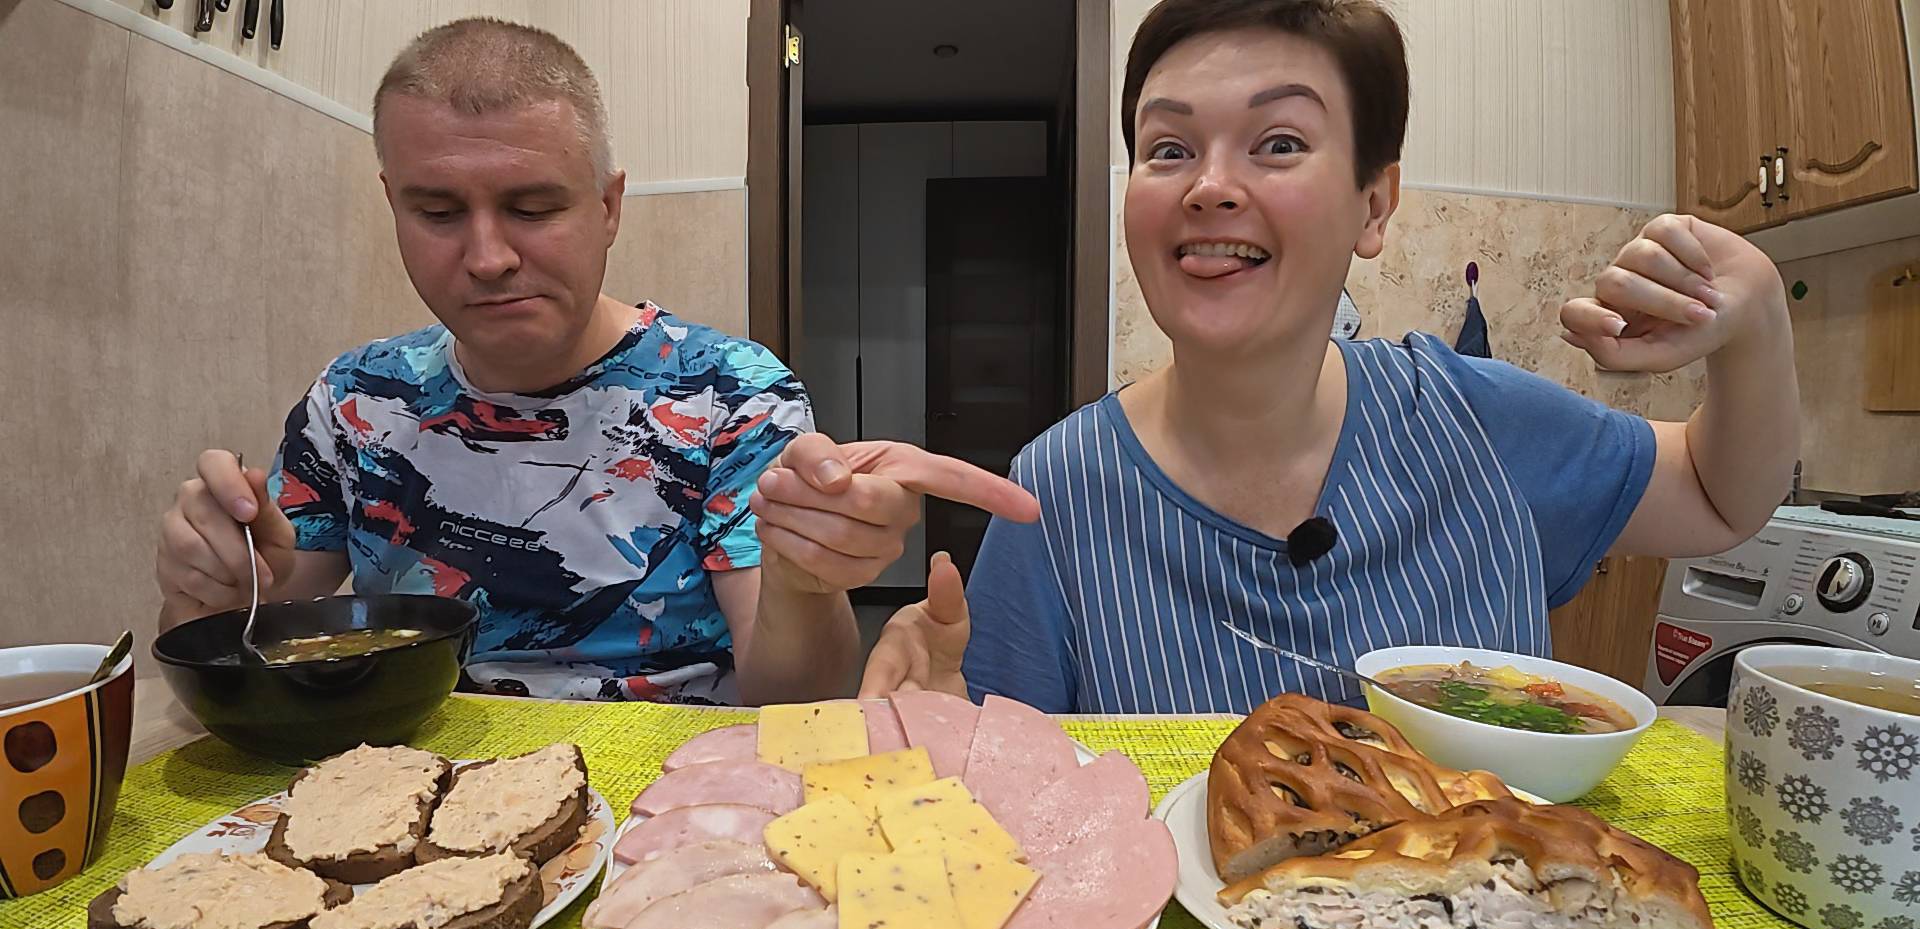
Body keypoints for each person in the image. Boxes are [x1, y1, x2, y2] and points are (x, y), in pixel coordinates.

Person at [854, 0, 1798, 714]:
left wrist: (1755, 317)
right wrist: (944, 729)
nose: (1211, 186)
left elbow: (1719, 497)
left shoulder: (1476, 423)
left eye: (1278, 143)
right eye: (1168, 148)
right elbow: (1015, 791)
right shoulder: (1054, 493)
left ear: (1373, 206)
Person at [153, 18, 1036, 704]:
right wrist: (214, 594)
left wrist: (805, 583)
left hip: (670, 810)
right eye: (438, 213)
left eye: (533, 208)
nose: (488, 256)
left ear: (609, 208)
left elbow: (793, 700)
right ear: (393, 202)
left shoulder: (730, 395)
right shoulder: (354, 402)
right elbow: (259, 657)